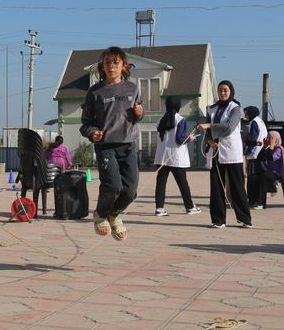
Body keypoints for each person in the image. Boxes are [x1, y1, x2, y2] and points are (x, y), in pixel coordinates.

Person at [80, 46, 144, 240]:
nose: (110, 66)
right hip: (106, 147)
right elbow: (85, 123)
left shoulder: (132, 89)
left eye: (115, 62)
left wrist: (140, 114)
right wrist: (93, 133)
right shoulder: (95, 92)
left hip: (129, 144)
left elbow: (138, 114)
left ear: (124, 66)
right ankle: (100, 214)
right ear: (102, 66)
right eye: (107, 62)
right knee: (113, 186)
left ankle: (114, 214)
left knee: (131, 191)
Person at [197, 80, 252, 228]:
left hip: (232, 151)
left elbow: (229, 127)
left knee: (237, 187)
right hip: (217, 152)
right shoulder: (212, 109)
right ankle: (218, 219)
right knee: (216, 186)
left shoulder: (236, 109)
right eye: (220, 90)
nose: (222, 93)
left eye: (225, 90)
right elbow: (208, 131)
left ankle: (244, 218)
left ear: (231, 91)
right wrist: (210, 141)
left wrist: (209, 126)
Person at [154, 97, 201, 216]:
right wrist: (190, 138)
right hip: (176, 157)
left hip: (162, 157)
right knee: (183, 183)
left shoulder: (160, 120)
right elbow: (179, 140)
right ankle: (189, 207)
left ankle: (159, 208)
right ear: (178, 106)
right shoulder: (180, 120)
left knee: (160, 183)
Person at [247, 130, 284, 209]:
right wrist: (264, 147)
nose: (267, 139)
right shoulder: (268, 148)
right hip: (267, 171)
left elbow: (270, 158)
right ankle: (252, 201)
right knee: (252, 176)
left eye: (269, 138)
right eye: (267, 137)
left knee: (263, 176)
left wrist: (271, 146)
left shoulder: (279, 149)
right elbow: (259, 158)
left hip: (276, 173)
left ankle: (260, 203)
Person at [242, 106, 268, 207]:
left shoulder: (254, 122)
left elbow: (253, 138)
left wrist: (247, 150)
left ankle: (252, 201)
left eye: (246, 113)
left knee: (252, 178)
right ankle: (256, 200)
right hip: (260, 152)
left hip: (255, 153)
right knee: (256, 178)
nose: (245, 115)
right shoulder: (260, 121)